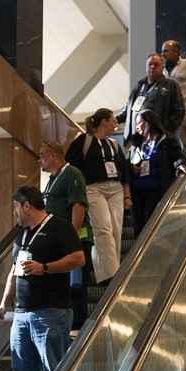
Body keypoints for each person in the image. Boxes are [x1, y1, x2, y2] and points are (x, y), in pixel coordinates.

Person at [0, 185, 84, 371]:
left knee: (55, 369)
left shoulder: (60, 226)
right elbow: (15, 270)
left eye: (16, 207)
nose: (14, 212)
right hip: (21, 314)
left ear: (27, 205)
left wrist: (44, 268)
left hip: (51, 311)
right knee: (23, 370)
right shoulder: (22, 234)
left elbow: (78, 258)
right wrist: (4, 303)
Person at [65, 109, 131, 285]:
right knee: (103, 228)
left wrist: (127, 195)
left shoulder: (114, 144)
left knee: (116, 230)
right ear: (104, 122)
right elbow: (70, 167)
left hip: (115, 189)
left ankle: (109, 272)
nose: (116, 124)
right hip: (93, 188)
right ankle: (112, 275)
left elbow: (123, 172)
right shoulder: (84, 141)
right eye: (113, 121)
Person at [38, 139, 94, 331]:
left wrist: (72, 238)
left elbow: (78, 206)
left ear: (54, 154)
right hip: (59, 243)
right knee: (64, 287)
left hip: (76, 241)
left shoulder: (71, 173)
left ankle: (77, 328)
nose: (39, 160)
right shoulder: (53, 179)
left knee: (76, 287)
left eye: (42, 155)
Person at [126, 110, 186, 237]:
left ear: (149, 122)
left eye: (139, 123)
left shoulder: (166, 141)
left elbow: (178, 156)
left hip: (155, 191)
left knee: (151, 226)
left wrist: (180, 165)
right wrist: (131, 168)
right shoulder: (136, 145)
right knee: (138, 228)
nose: (137, 126)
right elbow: (126, 164)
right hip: (136, 193)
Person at [117, 53, 185, 145]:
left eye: (156, 65)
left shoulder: (170, 85)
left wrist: (165, 130)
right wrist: (115, 119)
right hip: (134, 138)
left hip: (156, 138)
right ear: (146, 67)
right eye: (150, 64)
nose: (152, 67)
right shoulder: (139, 85)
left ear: (162, 67)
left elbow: (179, 111)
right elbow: (128, 108)